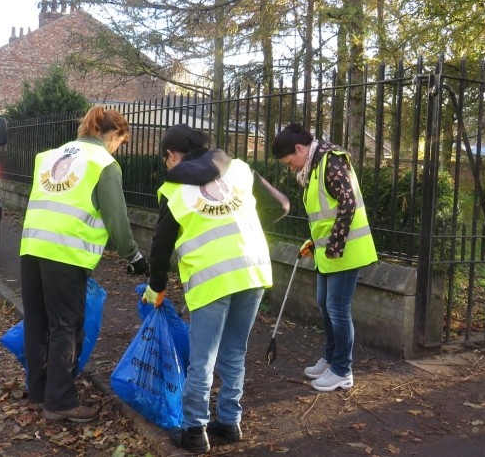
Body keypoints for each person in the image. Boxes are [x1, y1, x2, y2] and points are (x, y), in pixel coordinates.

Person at [145, 124, 289, 454]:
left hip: (212, 277)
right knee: (234, 351)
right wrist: (242, 226)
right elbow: (280, 205)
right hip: (252, 268)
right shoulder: (239, 169)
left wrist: (156, 287)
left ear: (171, 155)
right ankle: (229, 422)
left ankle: (194, 429)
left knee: (203, 358)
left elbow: (161, 245)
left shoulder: (173, 188)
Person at [20, 106, 149, 422]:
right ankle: (60, 402)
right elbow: (116, 218)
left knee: (37, 323)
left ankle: (38, 395)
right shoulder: (103, 163)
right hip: (66, 253)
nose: (119, 147)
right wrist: (133, 256)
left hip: (31, 246)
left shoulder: (49, 156)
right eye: (121, 140)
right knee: (65, 326)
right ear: (114, 134)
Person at [271, 122, 378, 393]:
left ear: (299, 148)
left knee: (337, 310)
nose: (290, 167)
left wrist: (334, 244)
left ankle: (343, 371)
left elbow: (348, 202)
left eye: (289, 161)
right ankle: (331, 359)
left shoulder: (331, 161)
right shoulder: (316, 165)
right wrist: (315, 242)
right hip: (329, 251)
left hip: (345, 251)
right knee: (324, 305)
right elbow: (326, 212)